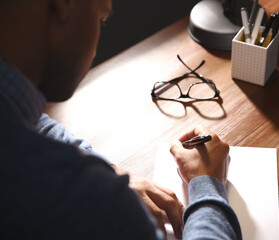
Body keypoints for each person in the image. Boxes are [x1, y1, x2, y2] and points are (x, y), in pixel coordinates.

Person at [0, 0, 242, 239]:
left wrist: (108, 170)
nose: (95, 50)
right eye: (102, 19)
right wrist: (208, 185)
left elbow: (32, 120)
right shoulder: (93, 205)